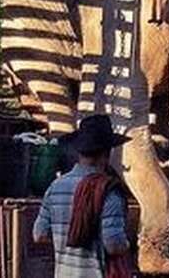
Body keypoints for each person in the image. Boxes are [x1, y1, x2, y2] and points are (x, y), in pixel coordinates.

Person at [33, 114, 132, 278]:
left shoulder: (55, 187)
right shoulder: (108, 191)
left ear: (79, 151)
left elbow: (40, 235)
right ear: (107, 152)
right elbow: (113, 245)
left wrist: (66, 240)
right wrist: (127, 244)